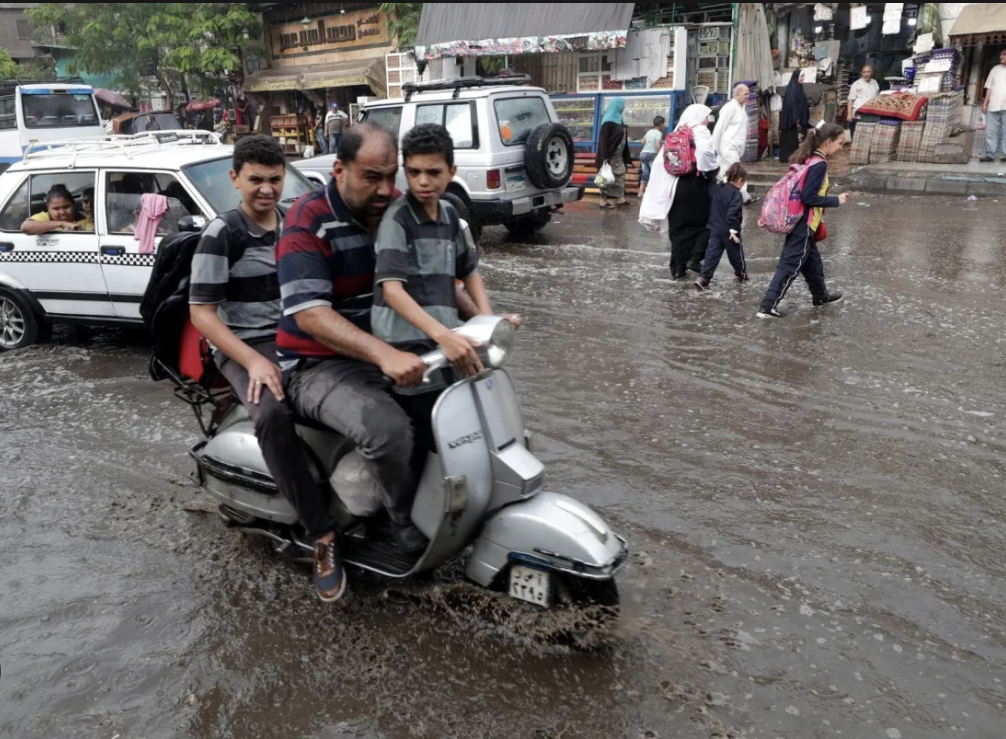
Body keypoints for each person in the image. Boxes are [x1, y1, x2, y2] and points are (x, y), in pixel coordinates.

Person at [188, 136, 348, 604]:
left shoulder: (296, 223)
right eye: (255, 179)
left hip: (301, 333)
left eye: (275, 179)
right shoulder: (223, 233)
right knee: (273, 415)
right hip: (247, 344)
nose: (266, 189)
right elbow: (202, 312)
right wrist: (254, 359)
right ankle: (322, 536)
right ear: (235, 178)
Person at [276, 122, 431, 556]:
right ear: (338, 170)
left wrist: (484, 320)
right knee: (386, 430)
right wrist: (383, 353)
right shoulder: (306, 219)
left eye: (391, 176)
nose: (385, 189)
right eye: (371, 177)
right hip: (314, 365)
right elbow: (310, 315)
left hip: (387, 350)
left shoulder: (399, 210)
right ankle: (399, 523)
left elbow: (440, 274)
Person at [373, 123, 521, 476]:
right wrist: (445, 335)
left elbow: (468, 273)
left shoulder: (452, 216)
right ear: (404, 171)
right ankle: (406, 519)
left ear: (451, 172)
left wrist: (489, 324)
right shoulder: (397, 218)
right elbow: (393, 291)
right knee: (428, 441)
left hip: (446, 342)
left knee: (470, 425)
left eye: (434, 172)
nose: (424, 181)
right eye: (414, 172)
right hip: (407, 348)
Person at [757, 123, 849, 319]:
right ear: (828, 142)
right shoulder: (820, 164)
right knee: (789, 267)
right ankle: (767, 306)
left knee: (813, 264)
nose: (841, 147)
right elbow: (808, 197)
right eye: (840, 143)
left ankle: (820, 296)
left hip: (805, 224)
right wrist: (836, 200)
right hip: (804, 225)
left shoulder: (812, 159)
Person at [667, 104, 719, 279]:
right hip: (696, 184)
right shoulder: (700, 131)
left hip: (677, 186)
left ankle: (677, 267)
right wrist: (712, 170)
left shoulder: (678, 132)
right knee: (705, 223)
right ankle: (695, 258)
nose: (707, 120)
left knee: (678, 227)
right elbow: (706, 154)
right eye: (706, 116)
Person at [695, 163, 749, 291]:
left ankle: (703, 279)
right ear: (740, 180)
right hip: (729, 231)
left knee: (712, 254)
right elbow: (733, 214)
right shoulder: (736, 194)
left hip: (715, 228)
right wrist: (733, 231)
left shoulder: (718, 188)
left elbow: (709, 194)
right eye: (743, 183)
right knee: (736, 254)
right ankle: (741, 274)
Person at [712, 83, 753, 204]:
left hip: (736, 147)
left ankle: (722, 194)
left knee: (725, 172)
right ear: (737, 93)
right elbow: (719, 128)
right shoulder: (729, 107)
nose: (748, 96)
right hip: (728, 146)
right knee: (737, 170)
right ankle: (744, 196)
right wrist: (715, 146)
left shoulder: (742, 108)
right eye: (746, 94)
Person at [595, 97, 632, 209]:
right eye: (623, 104)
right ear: (617, 106)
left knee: (620, 176)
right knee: (605, 178)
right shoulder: (607, 122)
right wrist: (605, 157)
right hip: (609, 156)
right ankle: (603, 201)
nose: (624, 107)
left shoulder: (619, 120)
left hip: (618, 156)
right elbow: (603, 140)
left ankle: (620, 198)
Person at [980, 49, 1006, 163]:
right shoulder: (995, 70)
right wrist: (985, 104)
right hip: (993, 106)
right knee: (990, 132)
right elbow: (989, 88)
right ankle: (990, 155)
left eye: (1004, 55)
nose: (1001, 57)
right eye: (1001, 55)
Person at [779, 71, 810, 163]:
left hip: (797, 119)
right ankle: (789, 157)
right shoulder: (793, 89)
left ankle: (794, 157)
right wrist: (796, 118)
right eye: (801, 76)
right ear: (796, 77)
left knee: (795, 139)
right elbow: (793, 105)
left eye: (803, 76)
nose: (803, 78)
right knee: (792, 138)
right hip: (794, 121)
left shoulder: (798, 87)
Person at [847, 65, 879, 139]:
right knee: (856, 132)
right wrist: (849, 114)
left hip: (871, 112)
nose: (866, 74)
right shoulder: (856, 84)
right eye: (864, 72)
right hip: (858, 112)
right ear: (861, 73)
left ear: (872, 72)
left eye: (868, 72)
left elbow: (876, 97)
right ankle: (854, 147)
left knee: (868, 132)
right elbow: (850, 100)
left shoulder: (875, 83)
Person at [638, 116, 665, 200]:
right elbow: (657, 145)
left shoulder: (649, 131)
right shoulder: (659, 133)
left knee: (645, 173)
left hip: (643, 154)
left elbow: (642, 142)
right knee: (654, 173)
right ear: (661, 124)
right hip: (651, 154)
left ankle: (640, 192)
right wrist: (660, 154)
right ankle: (652, 192)